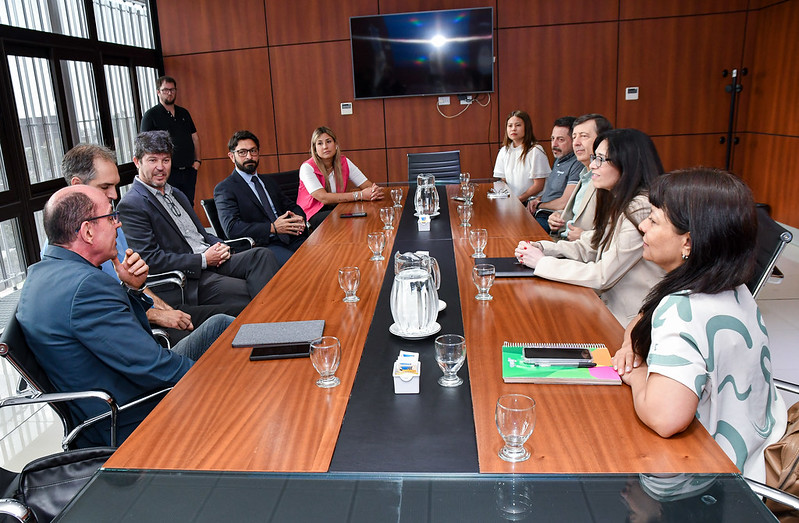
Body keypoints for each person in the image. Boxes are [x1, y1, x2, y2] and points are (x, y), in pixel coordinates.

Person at [17, 185, 233, 447]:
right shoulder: (86, 287)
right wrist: (214, 379)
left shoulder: (40, 274)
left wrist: (134, 288)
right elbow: (151, 366)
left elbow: (122, 340)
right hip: (133, 412)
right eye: (110, 216)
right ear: (87, 231)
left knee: (220, 325)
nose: (118, 224)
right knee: (233, 377)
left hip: (121, 387)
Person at [611, 167, 787, 482]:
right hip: (761, 444)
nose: (643, 226)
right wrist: (630, 345)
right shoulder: (730, 287)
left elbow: (666, 419)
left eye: (654, 219)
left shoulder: (683, 309)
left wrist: (636, 376)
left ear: (688, 242)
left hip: (725, 479)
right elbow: (643, 317)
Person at [60, 143, 220, 343]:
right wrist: (160, 315)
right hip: (131, 331)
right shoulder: (65, 244)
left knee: (227, 319)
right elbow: (107, 312)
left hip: (144, 309)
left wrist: (167, 310)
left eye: (115, 185)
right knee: (216, 334)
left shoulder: (111, 224)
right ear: (77, 186)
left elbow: (136, 285)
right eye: (105, 187)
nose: (114, 195)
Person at [118, 131, 280, 316]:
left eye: (166, 160)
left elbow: (201, 234)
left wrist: (220, 246)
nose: (161, 167)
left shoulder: (176, 193)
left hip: (211, 260)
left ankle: (273, 321)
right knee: (250, 290)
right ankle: (275, 324)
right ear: (137, 162)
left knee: (263, 256)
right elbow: (151, 259)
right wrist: (203, 260)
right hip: (189, 277)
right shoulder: (132, 204)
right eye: (153, 160)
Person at [515, 129, 666, 326]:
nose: (592, 165)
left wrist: (542, 263)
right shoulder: (619, 198)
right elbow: (592, 246)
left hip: (627, 321)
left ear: (627, 163)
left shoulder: (641, 208)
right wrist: (545, 248)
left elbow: (602, 275)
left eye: (601, 159)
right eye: (595, 157)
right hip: (604, 306)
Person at [214, 130, 308, 267]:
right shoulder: (225, 188)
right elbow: (232, 228)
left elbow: (290, 205)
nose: (249, 156)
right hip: (262, 246)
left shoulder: (268, 182)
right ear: (232, 156)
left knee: (321, 255)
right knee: (299, 265)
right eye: (242, 152)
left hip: (290, 238)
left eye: (253, 151)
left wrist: (299, 218)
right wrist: (272, 228)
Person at [297, 126, 384, 229]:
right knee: (349, 219)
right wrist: (360, 195)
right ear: (315, 149)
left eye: (328, 141)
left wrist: (374, 191)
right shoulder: (307, 167)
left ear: (336, 144)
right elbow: (323, 198)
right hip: (312, 215)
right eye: (320, 143)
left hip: (336, 207)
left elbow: (367, 185)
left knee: (364, 214)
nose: (325, 146)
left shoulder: (344, 162)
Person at [548, 114, 613, 240]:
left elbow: (610, 234)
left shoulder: (607, 180)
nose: (576, 143)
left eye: (584, 136)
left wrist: (584, 236)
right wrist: (558, 216)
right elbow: (578, 214)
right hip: (563, 242)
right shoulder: (585, 173)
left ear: (603, 140)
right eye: (574, 137)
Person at [140, 76, 202, 205]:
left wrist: (197, 161)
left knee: (189, 205)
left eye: (172, 90)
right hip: (167, 172)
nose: (169, 93)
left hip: (188, 170)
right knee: (170, 205)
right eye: (165, 90)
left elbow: (194, 137)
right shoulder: (151, 115)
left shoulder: (184, 112)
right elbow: (144, 146)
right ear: (158, 92)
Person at [526, 116, 583, 232]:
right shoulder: (559, 158)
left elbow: (564, 203)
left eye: (560, 140)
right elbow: (553, 191)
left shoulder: (577, 164)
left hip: (552, 218)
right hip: (541, 212)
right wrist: (537, 199)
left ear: (573, 140)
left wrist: (538, 204)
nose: (554, 144)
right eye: (553, 139)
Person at [492, 110, 551, 202]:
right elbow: (503, 180)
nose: (513, 129)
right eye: (510, 125)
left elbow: (539, 186)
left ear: (526, 128)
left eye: (518, 125)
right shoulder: (504, 151)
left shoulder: (535, 150)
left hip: (530, 202)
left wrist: (519, 199)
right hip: (511, 201)